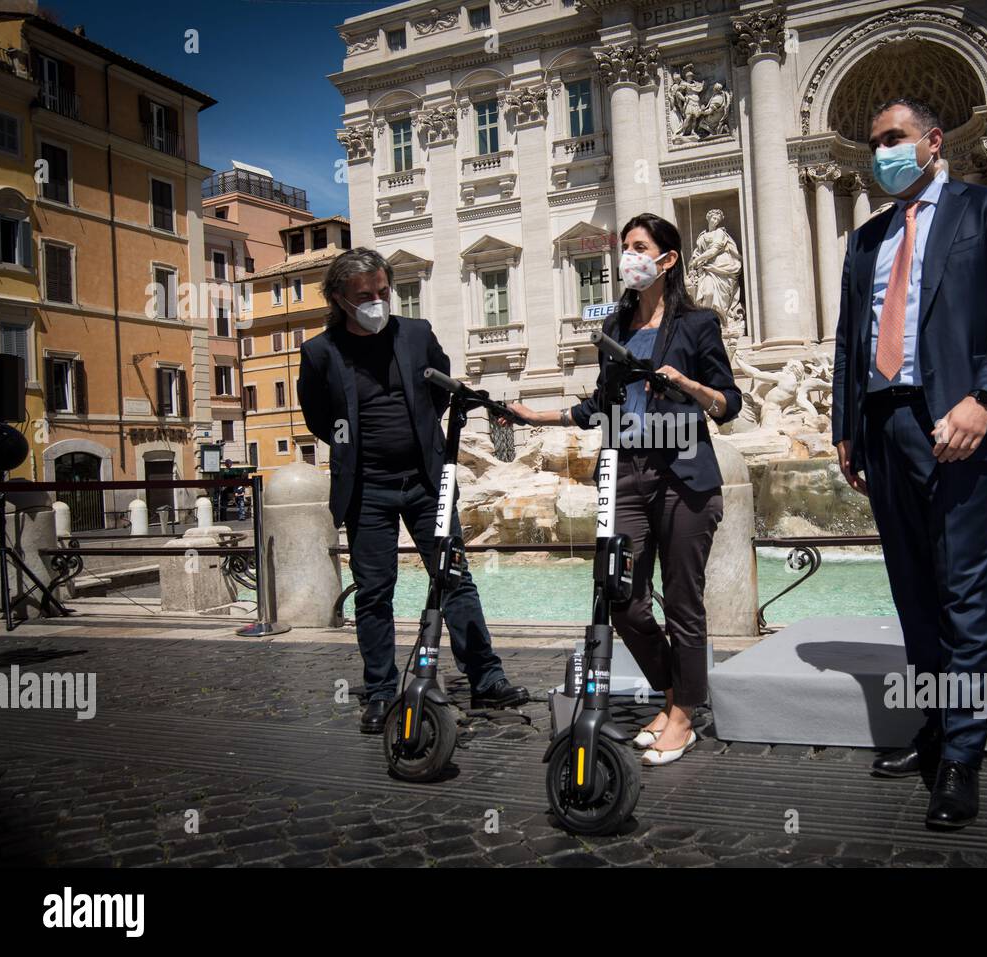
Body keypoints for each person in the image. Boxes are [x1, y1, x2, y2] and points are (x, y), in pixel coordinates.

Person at [832, 97, 987, 829]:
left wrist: (985, 399)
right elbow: (848, 340)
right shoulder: (866, 240)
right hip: (884, 424)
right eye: (873, 141)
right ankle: (934, 726)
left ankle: (961, 755)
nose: (881, 151)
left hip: (956, 420)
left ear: (932, 141)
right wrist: (845, 426)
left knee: (965, 590)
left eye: (893, 137)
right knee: (914, 591)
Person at [507, 213, 741, 767]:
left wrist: (689, 385)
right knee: (626, 601)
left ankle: (684, 714)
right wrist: (538, 416)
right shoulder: (613, 328)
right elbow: (599, 406)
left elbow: (729, 404)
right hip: (626, 476)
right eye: (624, 247)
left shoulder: (698, 324)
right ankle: (674, 695)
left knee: (684, 602)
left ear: (668, 259)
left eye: (639, 247)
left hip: (684, 477)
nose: (627, 256)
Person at [298, 248, 528, 735]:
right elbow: (318, 417)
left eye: (383, 291)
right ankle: (381, 692)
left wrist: (423, 435)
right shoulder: (321, 351)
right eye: (365, 296)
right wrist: (355, 449)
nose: (378, 301)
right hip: (367, 490)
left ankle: (486, 678)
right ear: (340, 298)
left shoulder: (416, 335)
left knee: (456, 579)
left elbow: (441, 388)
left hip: (427, 482)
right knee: (375, 593)